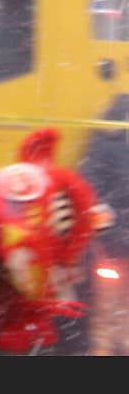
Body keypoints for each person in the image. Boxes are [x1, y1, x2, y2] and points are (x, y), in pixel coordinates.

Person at [79, 93, 129, 356]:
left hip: (116, 243)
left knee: (112, 318)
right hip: (114, 246)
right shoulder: (108, 141)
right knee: (108, 316)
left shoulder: (107, 140)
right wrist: (115, 227)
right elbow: (91, 190)